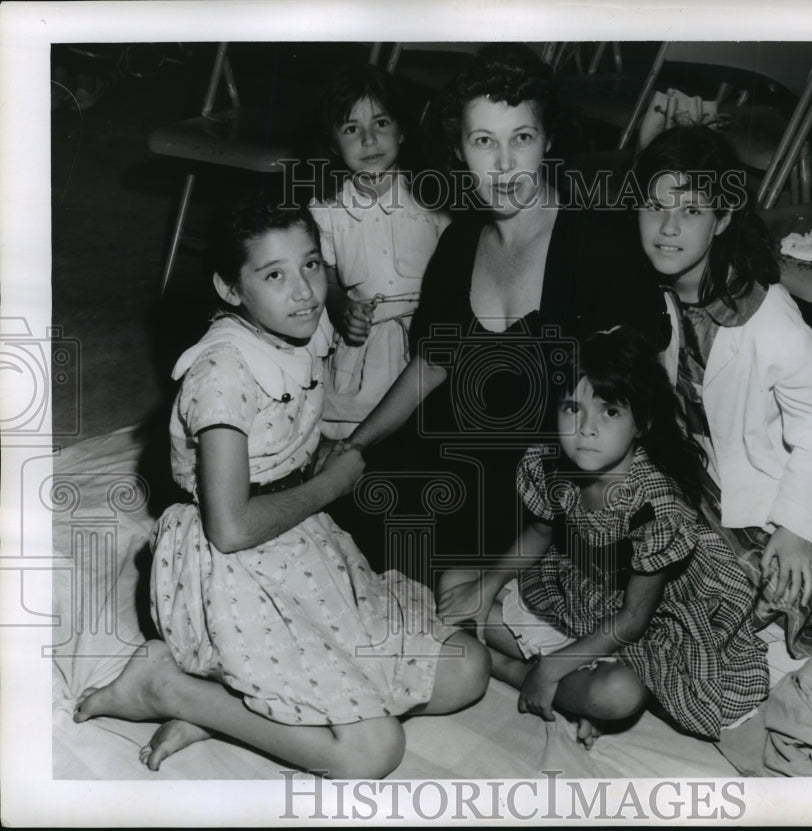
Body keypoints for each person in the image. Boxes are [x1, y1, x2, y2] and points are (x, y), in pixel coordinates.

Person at [74, 196, 489, 778]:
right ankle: (166, 687)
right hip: (236, 571)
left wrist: (321, 462)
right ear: (229, 288)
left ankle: (229, 706)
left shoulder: (301, 327)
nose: (304, 292)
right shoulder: (222, 374)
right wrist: (332, 484)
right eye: (274, 274)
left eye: (312, 265)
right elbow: (230, 527)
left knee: (467, 669)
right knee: (373, 752)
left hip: (300, 546)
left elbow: (290, 429)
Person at [337, 44, 667, 575]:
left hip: (548, 489)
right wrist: (357, 444)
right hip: (452, 458)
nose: (506, 164)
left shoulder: (599, 246)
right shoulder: (459, 243)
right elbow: (430, 365)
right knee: (343, 530)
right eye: (484, 141)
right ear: (460, 149)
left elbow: (634, 406)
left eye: (523, 138)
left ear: (548, 141)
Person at [634, 124, 812, 658]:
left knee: (765, 587)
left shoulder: (770, 319)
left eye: (690, 211)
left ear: (723, 218)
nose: (667, 227)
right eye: (654, 206)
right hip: (693, 469)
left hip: (766, 484)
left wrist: (797, 528)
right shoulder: (643, 291)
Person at [436, 327, 769, 745]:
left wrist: (550, 668)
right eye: (572, 408)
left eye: (609, 411)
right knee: (454, 584)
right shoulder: (550, 465)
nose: (586, 429)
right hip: (579, 588)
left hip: (647, 622)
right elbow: (539, 533)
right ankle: (563, 684)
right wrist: (486, 587)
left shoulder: (657, 507)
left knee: (618, 695)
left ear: (641, 423)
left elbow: (632, 620)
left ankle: (514, 671)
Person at [309, 64, 451, 439]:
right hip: (365, 348)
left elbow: (460, 269)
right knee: (352, 439)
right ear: (332, 143)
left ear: (402, 130)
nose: (369, 140)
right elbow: (326, 278)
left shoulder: (432, 197)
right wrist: (342, 308)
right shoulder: (327, 209)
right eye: (351, 129)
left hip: (428, 345)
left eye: (381, 123)